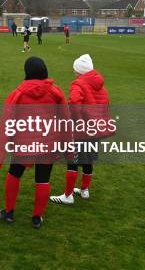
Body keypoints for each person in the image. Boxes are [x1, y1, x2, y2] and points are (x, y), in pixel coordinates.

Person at [0, 57, 67, 229]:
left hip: (23, 143)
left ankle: (9, 212)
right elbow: (66, 119)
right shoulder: (56, 92)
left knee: (14, 174)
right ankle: (36, 218)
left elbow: (6, 122)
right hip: (48, 144)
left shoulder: (18, 93)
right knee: (43, 180)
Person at [50, 54, 109, 205]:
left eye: (75, 70)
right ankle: (84, 190)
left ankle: (68, 195)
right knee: (88, 159)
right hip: (95, 129)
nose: (74, 72)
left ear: (80, 71)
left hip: (81, 130)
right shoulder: (100, 85)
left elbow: (74, 103)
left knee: (72, 160)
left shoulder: (78, 84)